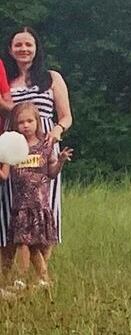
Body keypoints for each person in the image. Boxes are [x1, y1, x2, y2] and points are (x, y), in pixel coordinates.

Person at [0, 28, 73, 262]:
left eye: (28, 44)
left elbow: (66, 116)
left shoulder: (52, 77)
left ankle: (41, 273)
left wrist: (57, 130)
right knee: (12, 203)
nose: (23, 49)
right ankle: (10, 268)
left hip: (44, 146)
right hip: (14, 146)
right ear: (10, 50)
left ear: (36, 48)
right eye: (18, 45)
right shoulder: (6, 81)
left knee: (45, 204)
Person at [0, 101, 72, 297]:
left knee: (36, 247)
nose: (25, 125)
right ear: (15, 125)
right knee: (23, 243)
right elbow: (4, 176)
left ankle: (44, 279)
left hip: (40, 206)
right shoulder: (11, 149)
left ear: (37, 122)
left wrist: (61, 161)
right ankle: (21, 280)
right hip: (21, 207)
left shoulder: (44, 147)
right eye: (21, 122)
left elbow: (51, 173)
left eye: (29, 121)